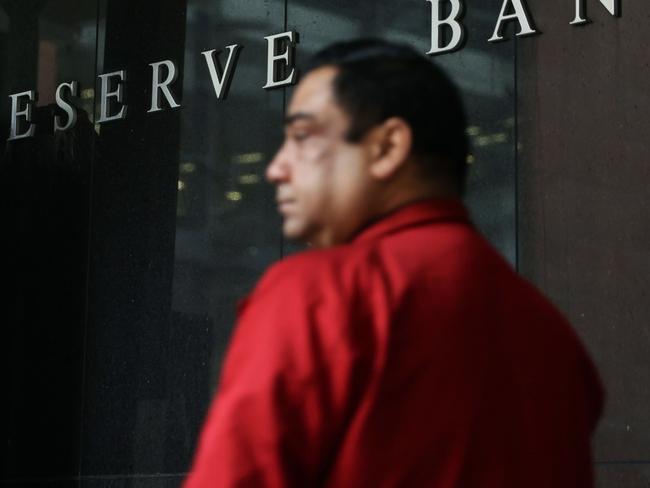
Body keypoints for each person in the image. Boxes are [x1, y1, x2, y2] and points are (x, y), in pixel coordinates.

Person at [184, 39, 604, 487]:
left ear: (387, 147)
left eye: (302, 137)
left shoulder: (319, 295)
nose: (276, 168)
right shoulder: (553, 337)